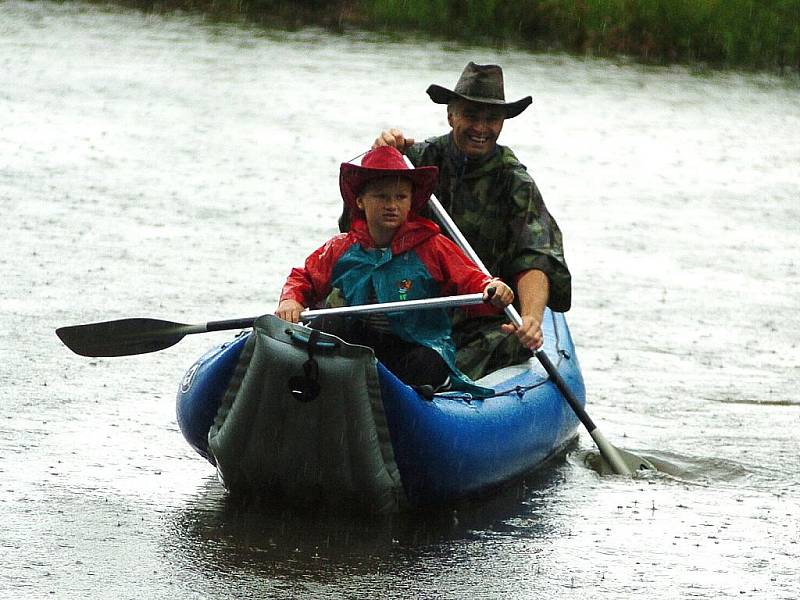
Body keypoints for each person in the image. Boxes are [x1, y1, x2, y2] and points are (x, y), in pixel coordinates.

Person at [338, 62, 571, 380]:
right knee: (337, 301)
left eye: (491, 119)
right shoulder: (414, 161)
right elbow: (358, 226)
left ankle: (434, 377)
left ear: (502, 123)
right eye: (471, 116)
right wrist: (381, 156)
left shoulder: (515, 181)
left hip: (478, 314)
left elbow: (535, 256)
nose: (481, 128)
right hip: (406, 301)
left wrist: (530, 319)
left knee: (512, 341)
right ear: (451, 116)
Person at [276, 145, 514, 395]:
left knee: (426, 363)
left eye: (400, 197)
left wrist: (492, 287)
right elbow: (303, 278)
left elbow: (473, 280)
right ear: (360, 201)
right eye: (381, 196)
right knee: (328, 322)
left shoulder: (433, 246)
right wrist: (291, 299)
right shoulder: (342, 247)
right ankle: (318, 386)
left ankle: (431, 392)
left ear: (410, 202)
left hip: (414, 346)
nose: (392, 205)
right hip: (362, 345)